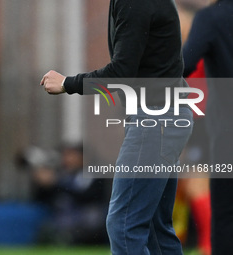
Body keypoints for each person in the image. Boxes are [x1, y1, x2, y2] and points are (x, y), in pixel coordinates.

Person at [40, 0, 193, 254]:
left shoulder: (135, 3)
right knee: (155, 228)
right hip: (164, 117)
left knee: (124, 224)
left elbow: (121, 74)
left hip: (156, 119)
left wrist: (68, 83)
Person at [182, 0, 233, 254]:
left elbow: (184, 66)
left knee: (221, 205)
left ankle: (207, 245)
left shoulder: (210, 20)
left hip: (216, 126)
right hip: (204, 123)